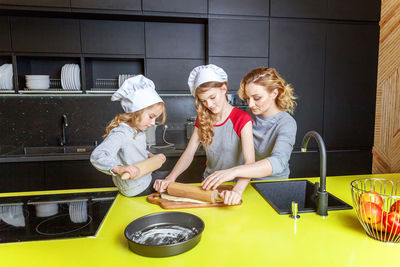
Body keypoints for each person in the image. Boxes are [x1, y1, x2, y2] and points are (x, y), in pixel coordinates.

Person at [153, 64, 255, 205]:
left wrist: (236, 191)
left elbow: (250, 164)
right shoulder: (203, 120)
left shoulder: (242, 119)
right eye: (203, 101)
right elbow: (188, 154)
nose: (209, 104)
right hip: (208, 186)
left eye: (212, 97)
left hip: (236, 188)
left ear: (224, 88)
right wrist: (171, 177)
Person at [202, 67, 297, 191]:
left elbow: (278, 162)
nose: (250, 104)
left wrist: (234, 171)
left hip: (272, 185)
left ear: (274, 93)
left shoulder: (286, 123)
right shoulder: (248, 114)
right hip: (246, 183)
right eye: (247, 98)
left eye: (257, 98)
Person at [90, 75, 167, 197]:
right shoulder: (121, 133)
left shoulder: (137, 129)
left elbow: (134, 151)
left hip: (144, 180)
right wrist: (119, 169)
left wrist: (151, 156)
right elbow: (98, 156)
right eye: (151, 117)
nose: (153, 123)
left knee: (168, 178)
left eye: (155, 118)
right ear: (136, 112)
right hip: (135, 189)